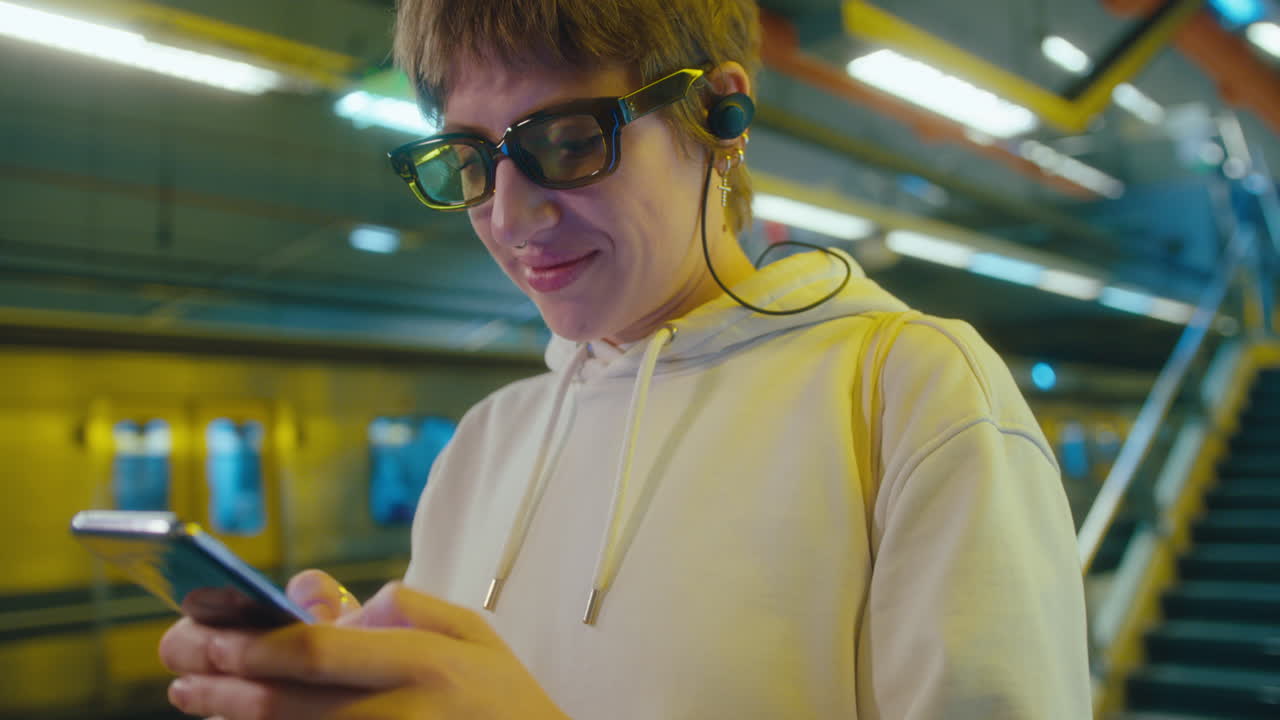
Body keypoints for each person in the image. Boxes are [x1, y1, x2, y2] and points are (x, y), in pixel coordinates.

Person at [158, 0, 1092, 717]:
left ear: (718, 112)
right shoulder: (485, 444)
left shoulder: (906, 393)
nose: (510, 218)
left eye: (568, 142)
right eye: (469, 160)